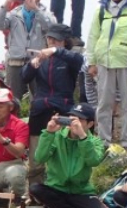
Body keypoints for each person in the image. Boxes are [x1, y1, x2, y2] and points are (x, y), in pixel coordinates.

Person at [30, 104, 114, 208]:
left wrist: (82, 137)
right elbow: (40, 158)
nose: (73, 123)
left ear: (90, 124)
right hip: (56, 188)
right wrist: (48, 132)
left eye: (79, 120)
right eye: (71, 118)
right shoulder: (56, 136)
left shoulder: (95, 142)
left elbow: (94, 161)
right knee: (36, 189)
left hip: (81, 192)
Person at [22, 23, 83, 184]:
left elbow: (78, 60)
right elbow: (24, 77)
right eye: (49, 37)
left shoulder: (70, 58)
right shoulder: (40, 58)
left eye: (56, 39)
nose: (51, 41)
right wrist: (32, 65)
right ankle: (35, 191)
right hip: (40, 109)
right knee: (36, 152)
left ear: (64, 41)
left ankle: (59, 186)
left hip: (62, 108)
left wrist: (55, 51)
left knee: (60, 151)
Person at [86, 0, 127, 147]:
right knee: (104, 104)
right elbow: (93, 35)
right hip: (105, 62)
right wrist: (91, 61)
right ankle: (103, 143)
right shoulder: (100, 9)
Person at [0, 0, 55, 100]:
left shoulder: (46, 13)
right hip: (15, 61)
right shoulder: (13, 13)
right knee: (12, 99)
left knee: (39, 98)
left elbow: (51, 28)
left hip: (37, 61)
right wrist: (5, 5)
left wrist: (36, 9)